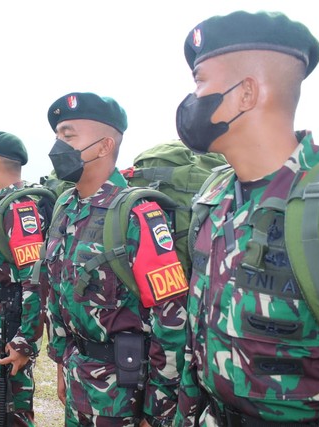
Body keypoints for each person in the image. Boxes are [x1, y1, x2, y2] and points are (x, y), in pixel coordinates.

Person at [171, 11, 319, 426]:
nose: (191, 99)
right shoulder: (213, 200)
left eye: (200, 81)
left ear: (246, 93)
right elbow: (196, 343)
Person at [44, 92, 188, 427]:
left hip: (124, 391)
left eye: (68, 135)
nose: (57, 146)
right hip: (78, 373)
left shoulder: (137, 213)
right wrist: (62, 364)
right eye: (56, 136)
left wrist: (158, 408)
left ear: (104, 145)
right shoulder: (66, 206)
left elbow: (170, 317)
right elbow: (57, 291)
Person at [0, 131, 48, 426]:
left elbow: (34, 278)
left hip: (8, 328)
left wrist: (24, 341)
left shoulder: (19, 207)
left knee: (11, 410)